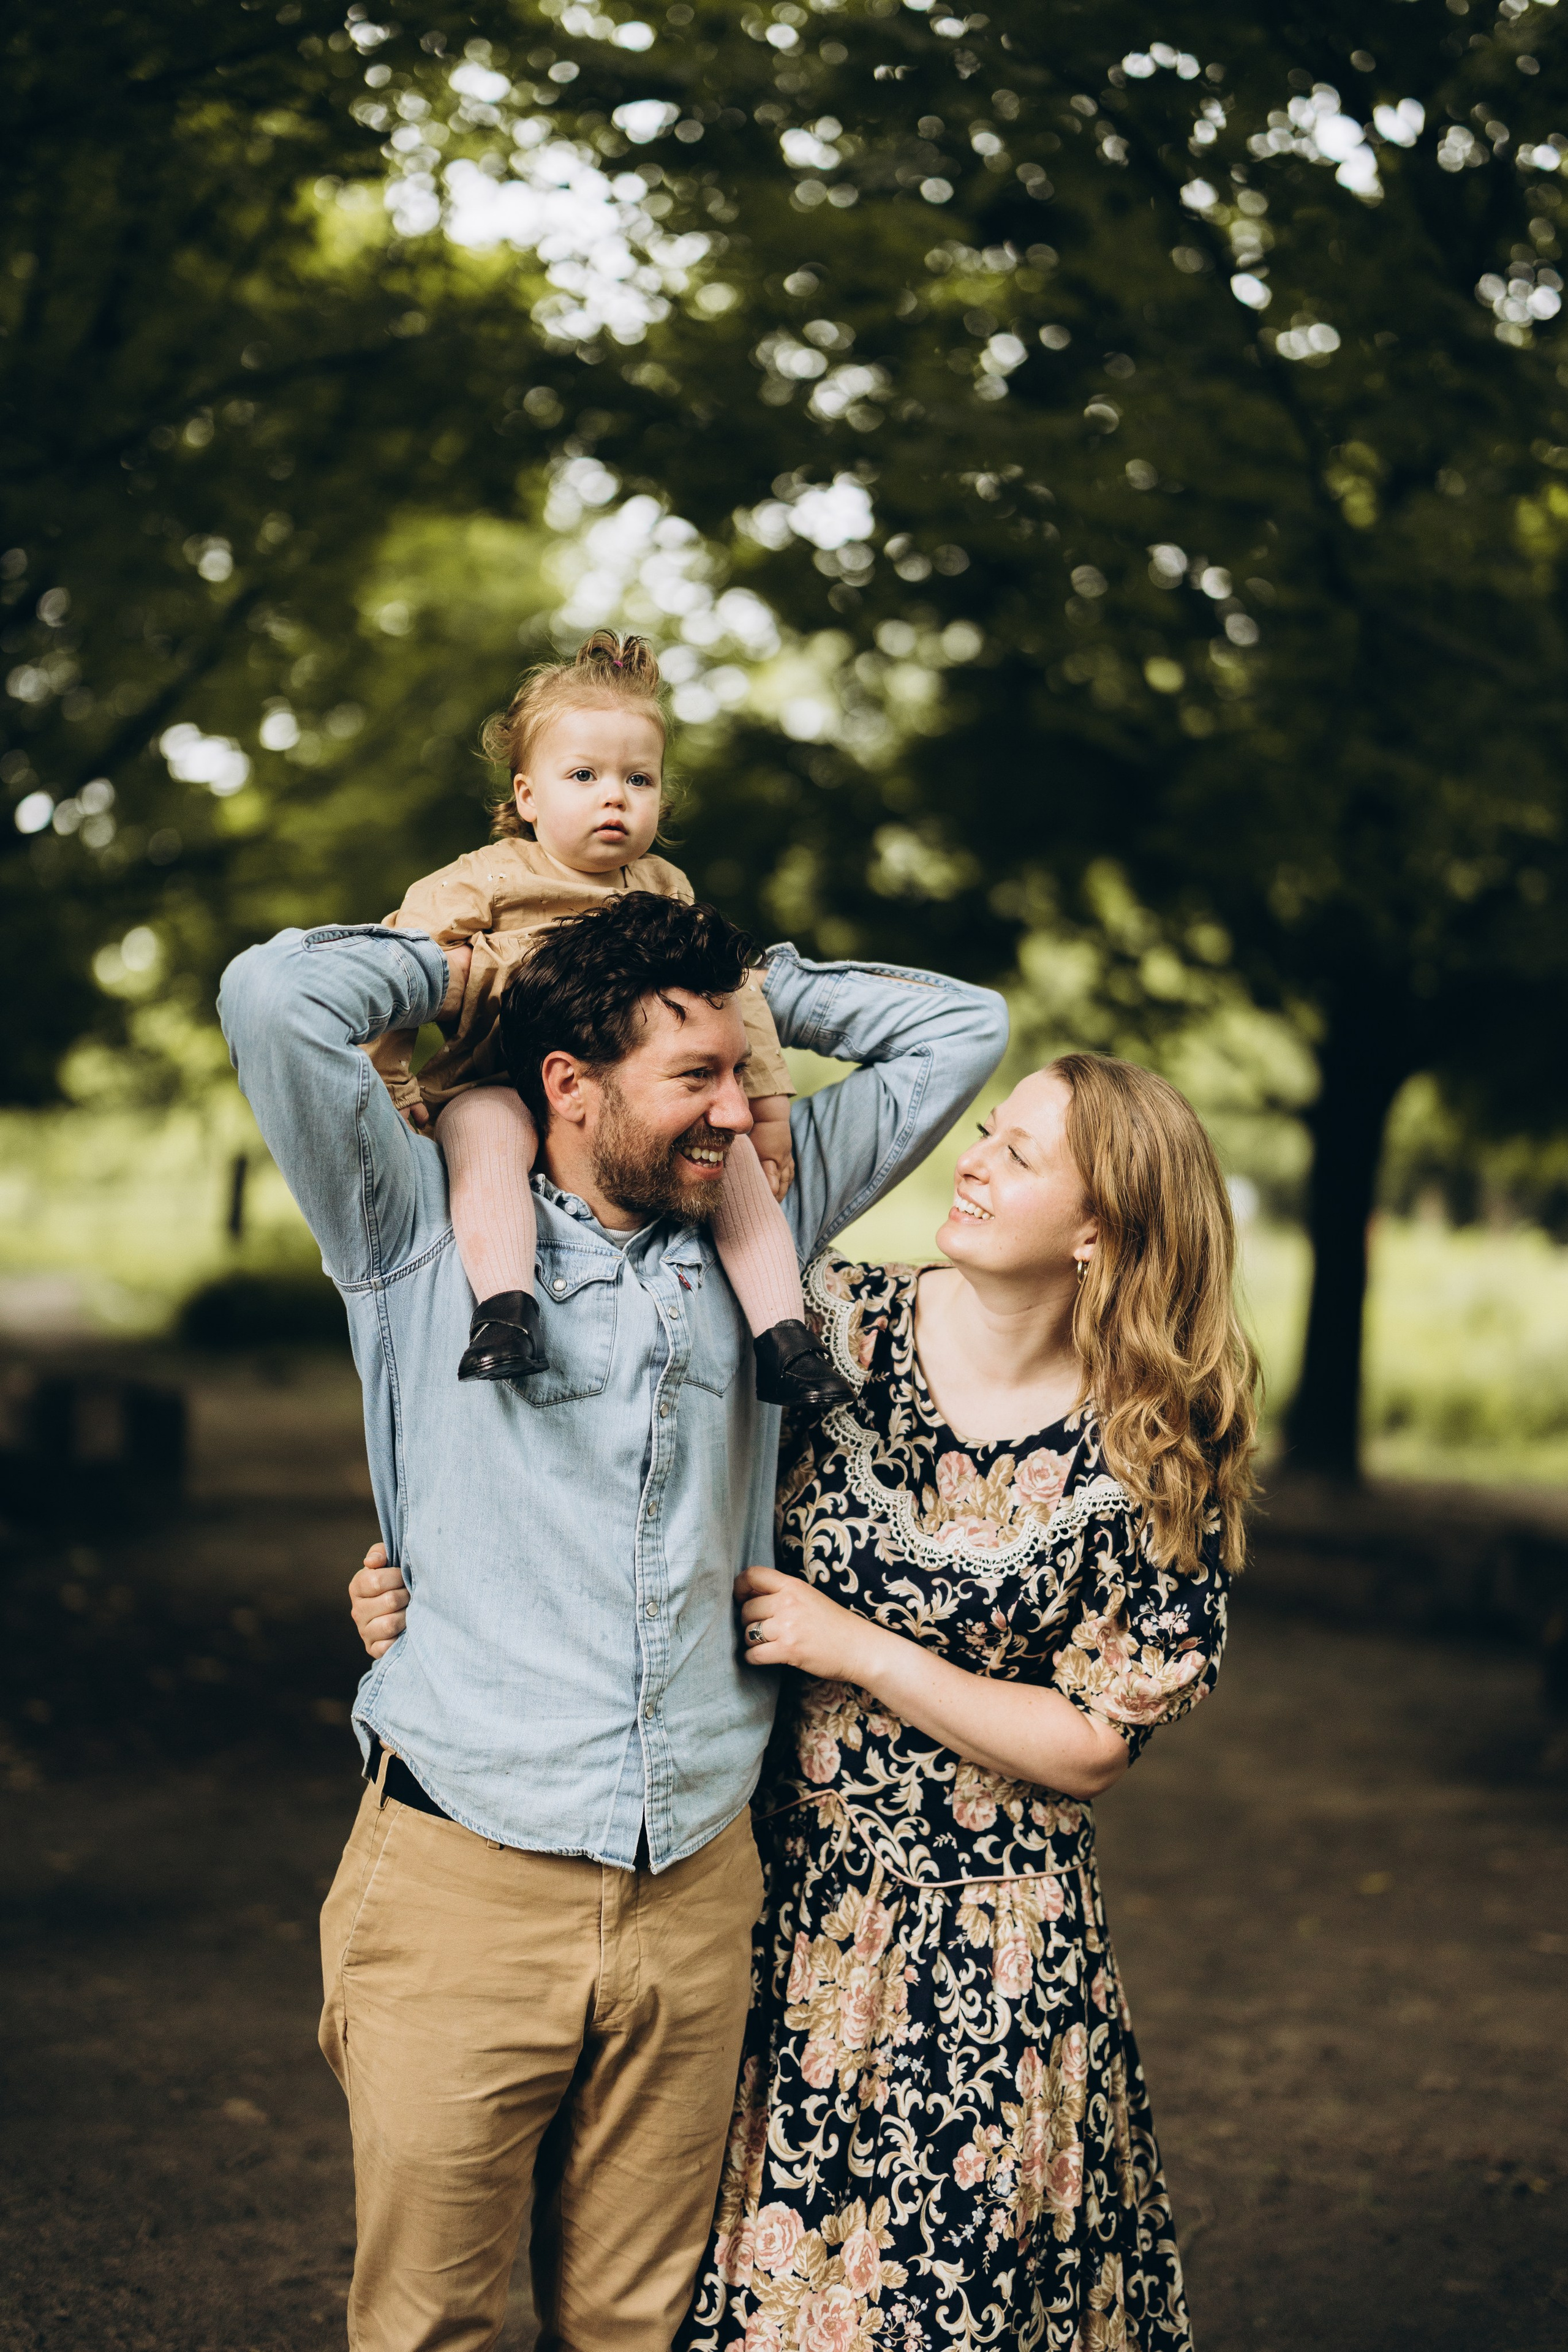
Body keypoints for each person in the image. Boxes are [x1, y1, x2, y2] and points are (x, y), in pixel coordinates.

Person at [219, 887, 1008, 2352]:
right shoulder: (412, 1226)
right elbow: (276, 999)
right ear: (569, 1085)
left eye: (739, 1073)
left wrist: (758, 995)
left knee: (635, 2327)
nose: (738, 1108)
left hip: (693, 1879)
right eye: (692, 1075)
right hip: (464, 1875)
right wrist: (471, 964)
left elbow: (963, 1028)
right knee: (433, 2326)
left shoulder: (760, 1201)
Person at [666, 1050, 1259, 2352]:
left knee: (949, 2310)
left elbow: (1091, 1742)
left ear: (1098, 1231)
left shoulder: (1159, 1439)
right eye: (987, 1131)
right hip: (773, 1898)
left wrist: (859, 1649)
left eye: (1019, 1155)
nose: (972, 1163)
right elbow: (639, 1456)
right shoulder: (826, 1322)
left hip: (993, 1951)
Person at [367, 627, 848, 1411]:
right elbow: (396, 977)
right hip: (495, 1079)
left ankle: (784, 1340)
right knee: (487, 1141)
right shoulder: (481, 881)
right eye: (584, 775)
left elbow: (735, 1002)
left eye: (639, 778)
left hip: (626, 1100)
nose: (615, 796)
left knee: (731, 1162)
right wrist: (395, 1084)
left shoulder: (664, 886)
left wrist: (767, 1114)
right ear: (528, 796)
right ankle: (505, 1310)